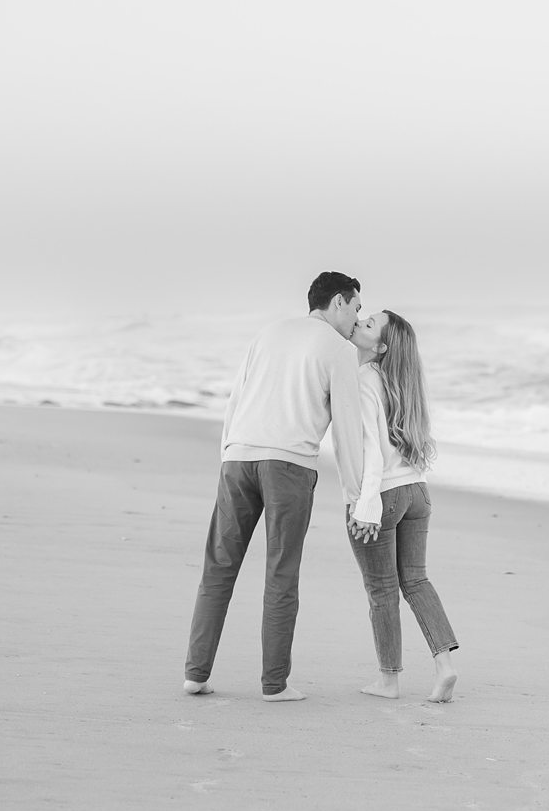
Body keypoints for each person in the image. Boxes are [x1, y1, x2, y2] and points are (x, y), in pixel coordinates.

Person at [183, 271, 366, 701]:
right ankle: (274, 684)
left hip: (239, 458)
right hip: (289, 466)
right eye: (356, 308)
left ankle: (195, 673)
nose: (358, 319)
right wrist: (355, 496)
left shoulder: (268, 333)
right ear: (337, 302)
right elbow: (347, 432)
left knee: (218, 568)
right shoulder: (338, 349)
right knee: (281, 574)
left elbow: (236, 399)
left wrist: (228, 455)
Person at [344, 309, 459, 702]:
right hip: (417, 493)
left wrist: (365, 504)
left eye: (369, 324)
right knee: (416, 580)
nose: (360, 322)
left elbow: (370, 451)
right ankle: (444, 665)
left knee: (381, 590)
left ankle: (388, 681)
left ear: (381, 347)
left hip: (385, 496)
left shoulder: (364, 380)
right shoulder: (404, 383)